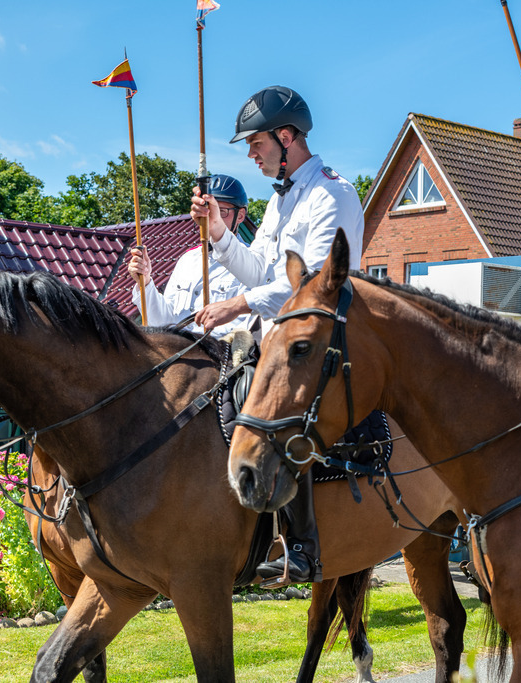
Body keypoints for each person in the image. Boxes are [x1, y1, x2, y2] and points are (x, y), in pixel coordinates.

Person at [191, 85, 365, 583]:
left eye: (256, 143)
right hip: (276, 338)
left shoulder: (333, 193)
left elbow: (308, 283)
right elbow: (259, 271)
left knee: (284, 413)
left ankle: (303, 546)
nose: (251, 153)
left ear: (286, 137)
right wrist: (218, 232)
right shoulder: (277, 203)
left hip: (321, 340)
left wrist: (239, 305)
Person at [128, 174, 252, 338]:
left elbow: (242, 329)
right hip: (176, 356)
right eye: (206, 210)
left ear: (240, 216)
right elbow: (162, 322)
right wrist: (145, 283)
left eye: (220, 211)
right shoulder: (187, 260)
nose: (211, 218)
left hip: (218, 357)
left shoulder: (250, 260)